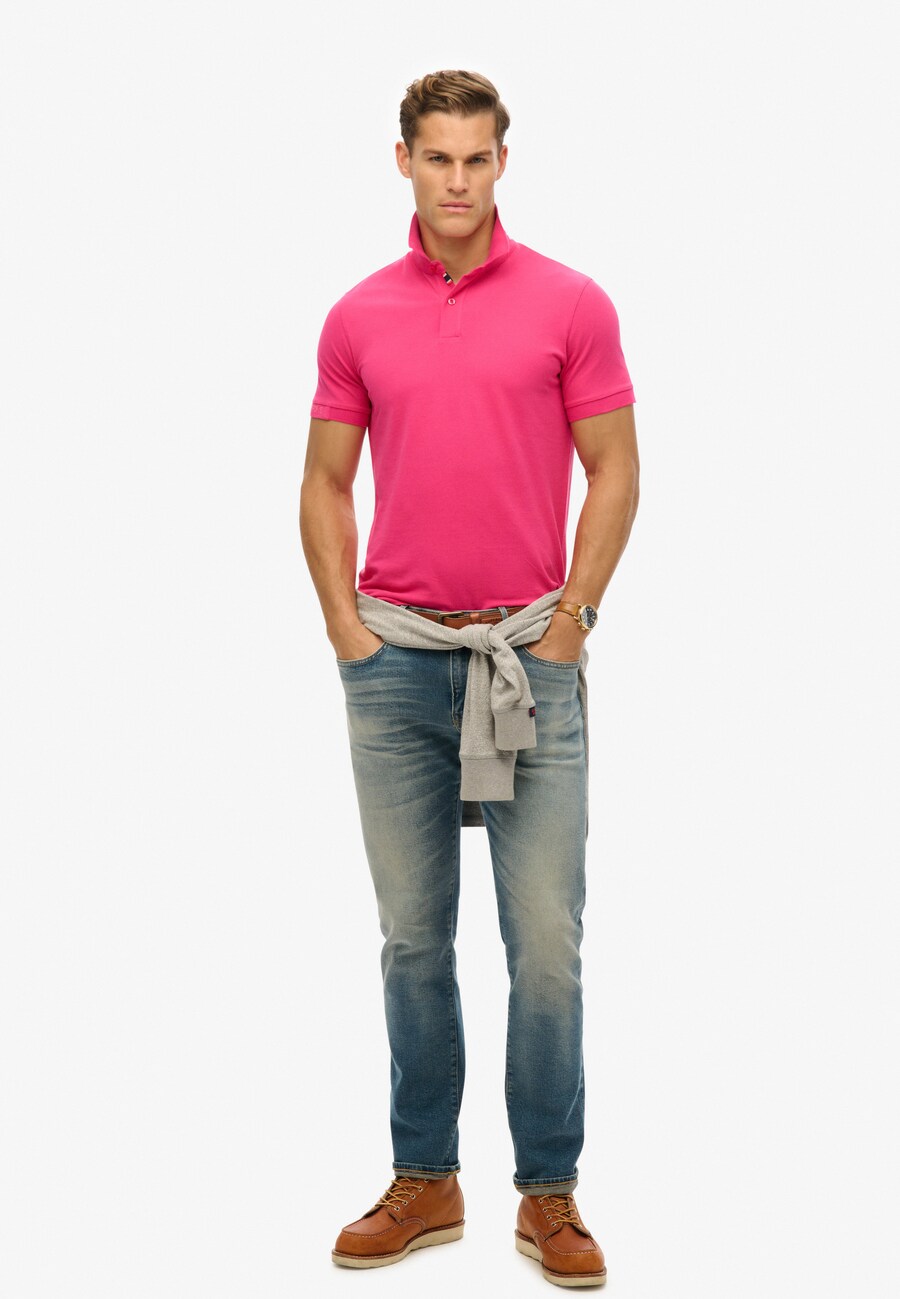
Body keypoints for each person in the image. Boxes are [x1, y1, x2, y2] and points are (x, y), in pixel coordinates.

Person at [299, 68, 639, 1289]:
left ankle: (547, 1193)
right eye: (436, 158)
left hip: (526, 661)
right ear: (404, 161)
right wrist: (348, 633)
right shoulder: (357, 315)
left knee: (545, 940)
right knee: (412, 939)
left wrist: (570, 629)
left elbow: (616, 469)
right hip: (395, 664)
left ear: (504, 161)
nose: (457, 181)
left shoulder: (571, 303)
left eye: (476, 159)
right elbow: (324, 481)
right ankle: (426, 1177)